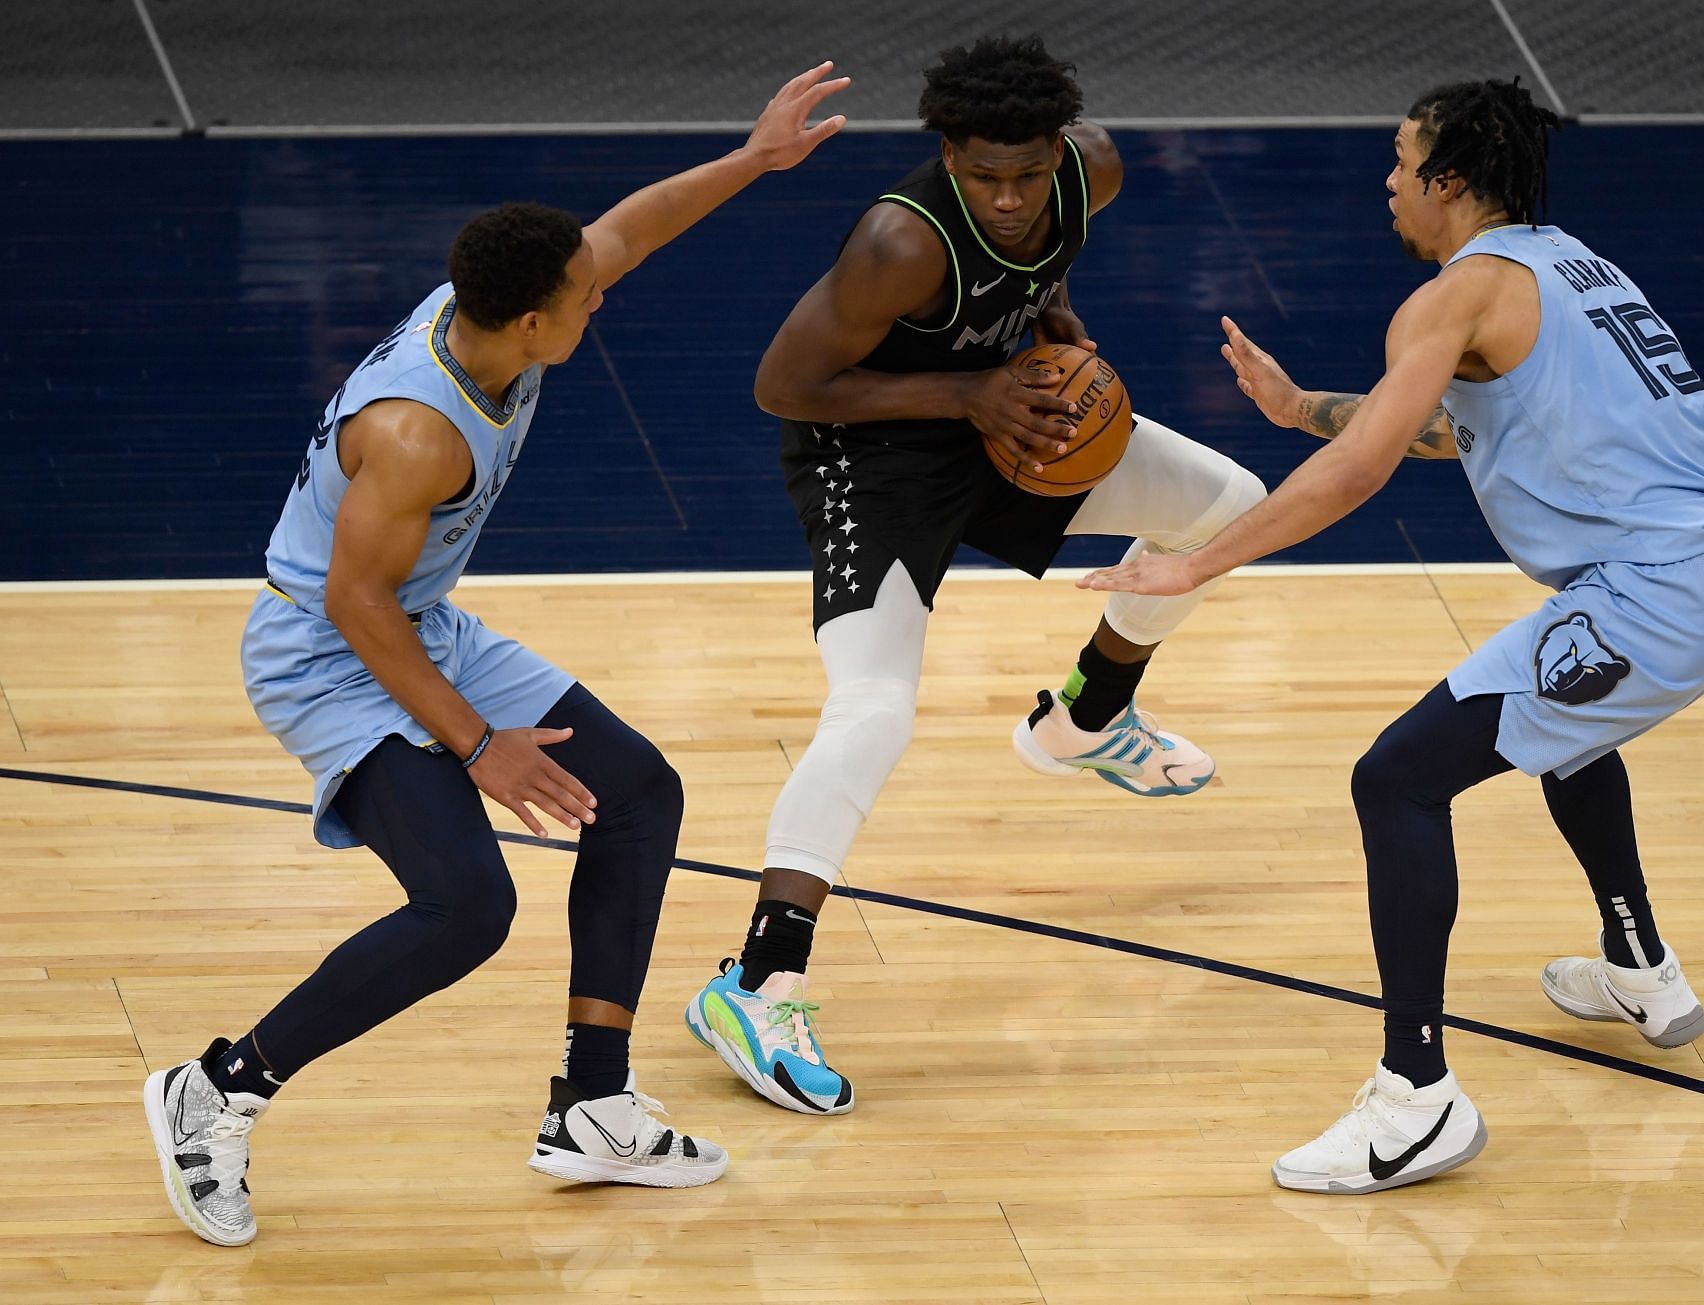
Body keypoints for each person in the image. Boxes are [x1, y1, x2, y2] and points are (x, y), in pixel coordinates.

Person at [141, 64, 849, 1246]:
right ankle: (217, 1088)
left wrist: (753, 157)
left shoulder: (494, 314)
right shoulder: (418, 433)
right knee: (467, 904)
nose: (600, 299)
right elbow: (354, 603)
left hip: (417, 625)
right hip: (327, 651)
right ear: (531, 323)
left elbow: (622, 232)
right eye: (584, 299)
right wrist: (479, 748)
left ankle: (594, 1102)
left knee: (639, 795)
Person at [1080, 78, 1704, 1193]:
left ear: (1450, 180)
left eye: (1401, 161)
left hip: (1665, 591)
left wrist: (1191, 562)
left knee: (1398, 781)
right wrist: (1297, 408)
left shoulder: (1448, 300)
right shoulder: (1573, 266)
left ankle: (1416, 1099)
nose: (1388, 181)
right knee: (1566, 712)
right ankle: (1638, 960)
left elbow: (1363, 467)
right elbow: (1443, 432)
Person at [682, 35, 1266, 1115]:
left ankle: (1087, 717)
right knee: (875, 712)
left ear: (1060, 152)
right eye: (982, 175)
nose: (1006, 198)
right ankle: (756, 987)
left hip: (1006, 415)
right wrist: (965, 394)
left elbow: (1035, 259)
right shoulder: (899, 243)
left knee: (1229, 504)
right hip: (876, 453)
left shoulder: (1093, 173)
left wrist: (1043, 318)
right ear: (948, 155)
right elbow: (785, 384)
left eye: (1026, 174)